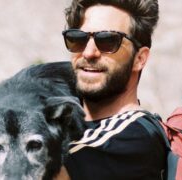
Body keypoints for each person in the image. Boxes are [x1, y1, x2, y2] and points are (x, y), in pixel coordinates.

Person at [56, 0, 166, 179]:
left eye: (108, 40)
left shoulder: (137, 138)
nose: (88, 52)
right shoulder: (62, 121)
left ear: (140, 58)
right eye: (77, 38)